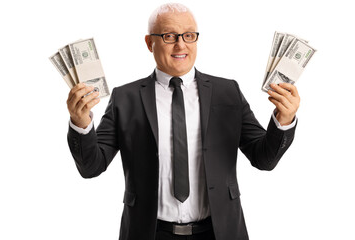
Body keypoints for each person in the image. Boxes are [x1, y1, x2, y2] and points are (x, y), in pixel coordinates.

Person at [66, 3, 300, 240]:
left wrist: (284, 119)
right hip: (150, 233)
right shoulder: (125, 98)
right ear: (150, 43)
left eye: (189, 35)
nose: (181, 44)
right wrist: (81, 123)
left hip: (218, 232)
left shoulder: (227, 92)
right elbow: (91, 167)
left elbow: (264, 159)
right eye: (169, 36)